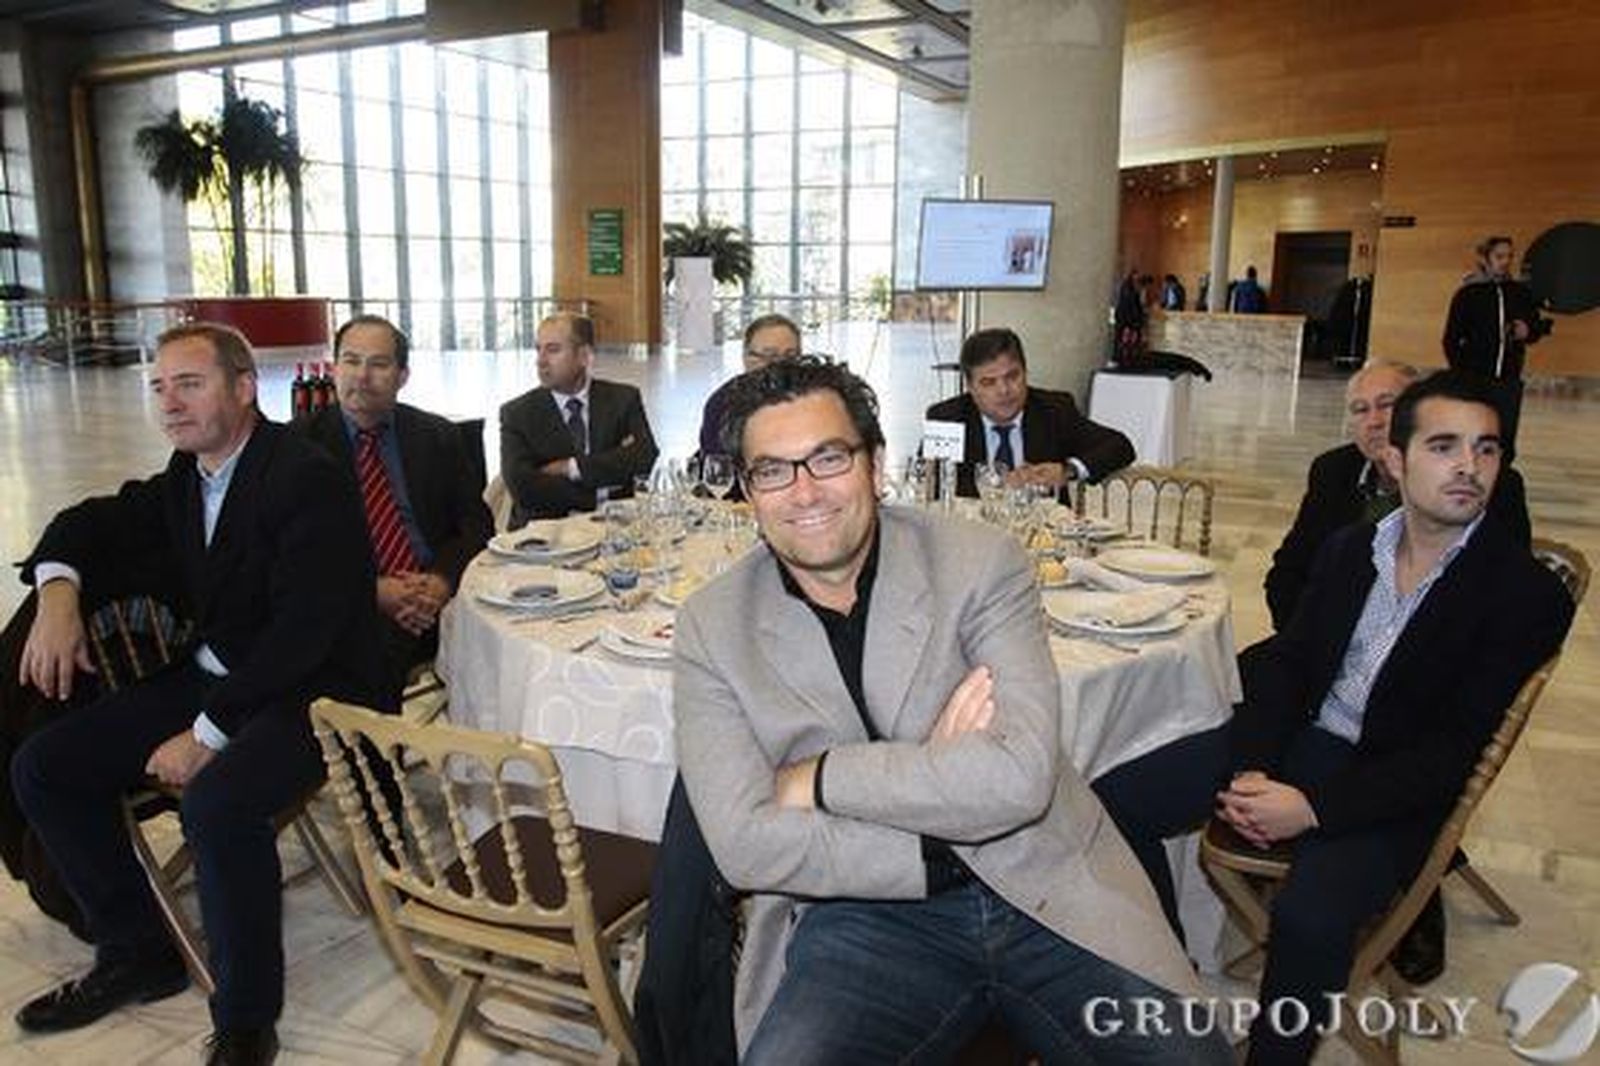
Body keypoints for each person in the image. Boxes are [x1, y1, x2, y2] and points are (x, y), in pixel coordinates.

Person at [673, 357, 1228, 1063]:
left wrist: (818, 777)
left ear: (875, 464)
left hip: (1044, 880)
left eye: (828, 457)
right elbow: (744, 845)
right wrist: (937, 813)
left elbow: (1019, 783)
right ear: (747, 491)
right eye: (773, 470)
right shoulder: (710, 626)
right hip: (855, 912)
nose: (804, 491)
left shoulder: (978, 562)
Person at [1094, 370, 1574, 1066]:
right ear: (1396, 459)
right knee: (1114, 800)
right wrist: (1253, 768)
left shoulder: (1521, 593)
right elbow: (1289, 665)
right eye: (1445, 446)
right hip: (1299, 741)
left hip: (1390, 781)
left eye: (1487, 449)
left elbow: (1447, 758)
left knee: (1309, 916)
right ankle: (1172, 983)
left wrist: (1312, 808)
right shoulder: (1353, 550)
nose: (1470, 467)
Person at [10, 322, 384, 1065]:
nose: (169, 404)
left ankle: (246, 1020)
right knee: (44, 765)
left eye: (190, 384)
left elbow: (303, 635)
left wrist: (207, 733)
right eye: (159, 387)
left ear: (244, 388)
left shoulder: (304, 475)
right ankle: (136, 949)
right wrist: (57, 592)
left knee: (218, 803)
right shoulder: (191, 475)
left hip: (316, 692)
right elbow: (91, 522)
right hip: (223, 673)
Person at [298, 314, 492, 709]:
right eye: (350, 361)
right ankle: (376, 766)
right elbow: (294, 554)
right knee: (369, 653)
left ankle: (486, 756)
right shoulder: (298, 448)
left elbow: (476, 526)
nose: (362, 376)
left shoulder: (437, 436)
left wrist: (439, 582)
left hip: (439, 591)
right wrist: (372, 592)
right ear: (334, 368)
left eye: (379, 364)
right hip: (353, 601)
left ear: (402, 375)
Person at [1263, 360, 1532, 632]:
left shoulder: (1487, 484)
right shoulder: (1332, 471)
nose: (1374, 422)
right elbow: (1288, 571)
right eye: (1360, 410)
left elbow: (1505, 595)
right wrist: (1307, 641)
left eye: (1386, 405)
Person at [926, 326, 1134, 499]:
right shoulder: (947, 418)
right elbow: (932, 488)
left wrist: (1066, 471)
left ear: (1026, 373)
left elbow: (1120, 446)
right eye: (989, 382)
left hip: (1045, 539)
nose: (1004, 390)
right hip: (974, 537)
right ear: (970, 387)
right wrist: (997, 486)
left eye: (1012, 376)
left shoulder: (1054, 409)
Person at [500, 311, 658, 525]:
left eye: (553, 350)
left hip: (615, 531)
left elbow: (644, 457)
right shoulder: (517, 413)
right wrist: (601, 495)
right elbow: (524, 488)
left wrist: (571, 468)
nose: (541, 361)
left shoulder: (623, 399)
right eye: (539, 350)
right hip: (544, 538)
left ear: (584, 356)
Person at [1442, 235, 1544, 452]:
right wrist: (1462, 375)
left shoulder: (1520, 293)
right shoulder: (1468, 294)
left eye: (1509, 256)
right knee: (1472, 435)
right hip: (1475, 380)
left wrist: (1528, 331)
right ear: (1486, 258)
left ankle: (1502, 481)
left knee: (1504, 440)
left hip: (1508, 380)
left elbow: (1535, 327)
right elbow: (1450, 339)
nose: (1505, 261)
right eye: (1499, 256)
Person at [695, 313, 801, 460]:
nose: (780, 365)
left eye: (790, 356)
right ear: (747, 357)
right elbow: (716, 467)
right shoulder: (722, 404)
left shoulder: (816, 402)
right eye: (770, 356)